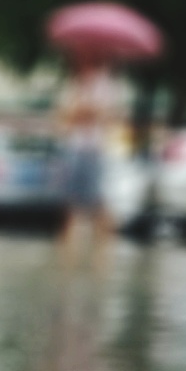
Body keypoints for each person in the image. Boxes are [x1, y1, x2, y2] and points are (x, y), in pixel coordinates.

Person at [57, 60, 125, 256]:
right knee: (70, 201)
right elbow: (66, 117)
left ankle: (105, 247)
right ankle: (68, 250)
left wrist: (87, 110)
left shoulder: (106, 86)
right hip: (75, 147)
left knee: (97, 201)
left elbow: (106, 116)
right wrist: (84, 109)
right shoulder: (75, 87)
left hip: (95, 149)